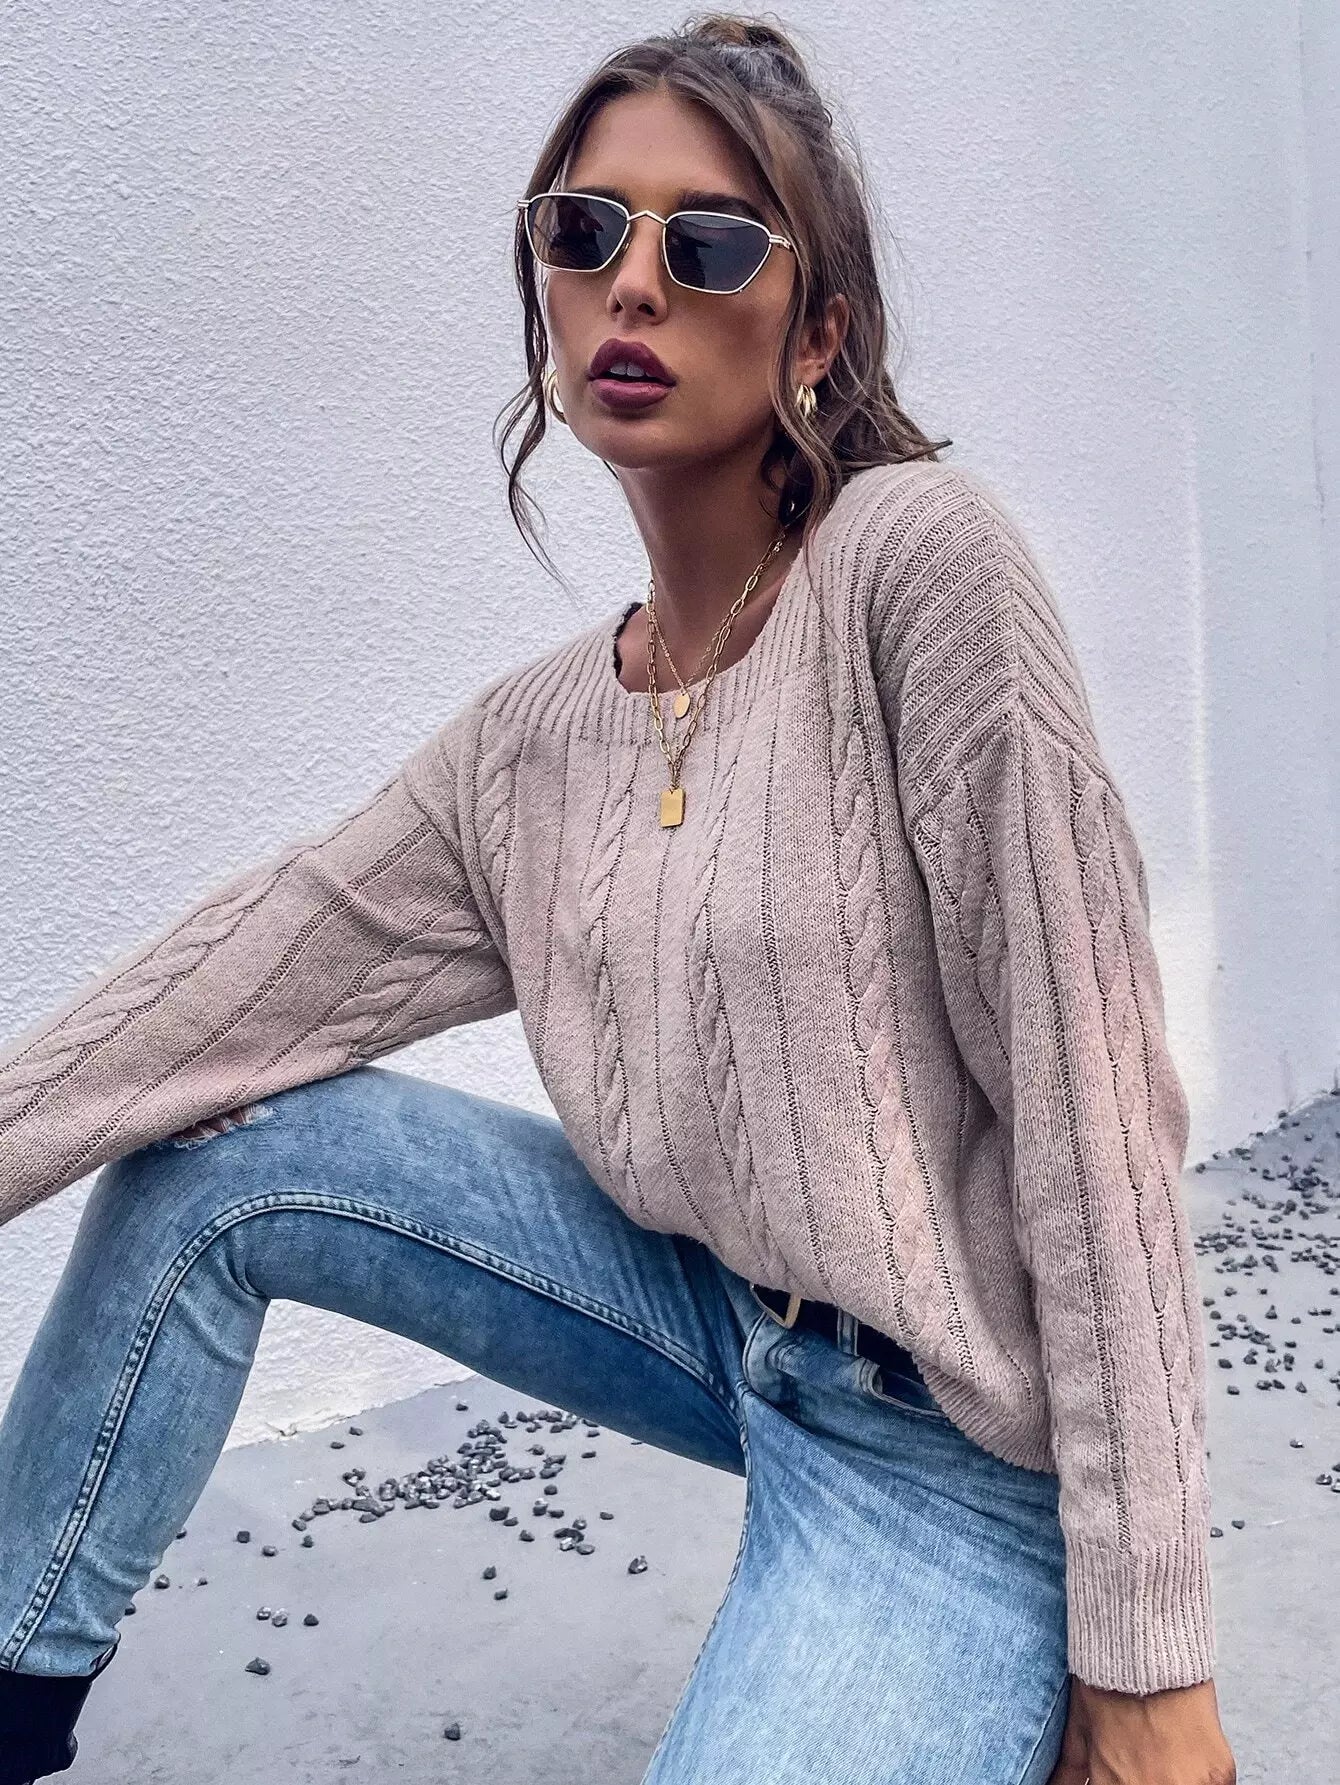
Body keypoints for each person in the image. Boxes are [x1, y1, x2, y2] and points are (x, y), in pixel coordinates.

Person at [0, 15, 1236, 1784]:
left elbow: (1095, 1115)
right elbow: (229, 992)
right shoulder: (532, 746)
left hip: (949, 1447)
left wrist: (1151, 1661)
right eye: (583, 232)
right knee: (216, 1147)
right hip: (708, 1311)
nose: (633, 283)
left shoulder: (922, 566)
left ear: (819, 329)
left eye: (709, 242)